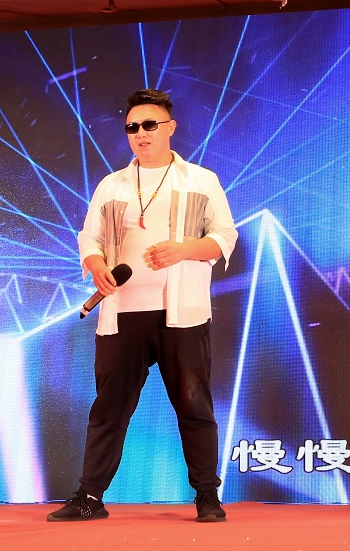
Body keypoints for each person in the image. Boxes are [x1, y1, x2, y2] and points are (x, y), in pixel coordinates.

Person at [49, 88, 238, 524]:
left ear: (170, 128)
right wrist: (96, 264)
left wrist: (184, 249)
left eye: (149, 124)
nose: (140, 133)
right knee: (109, 407)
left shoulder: (200, 179)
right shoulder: (112, 184)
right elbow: (90, 237)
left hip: (183, 312)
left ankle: (207, 496)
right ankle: (89, 496)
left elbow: (224, 236)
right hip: (122, 312)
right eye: (132, 127)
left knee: (193, 403)